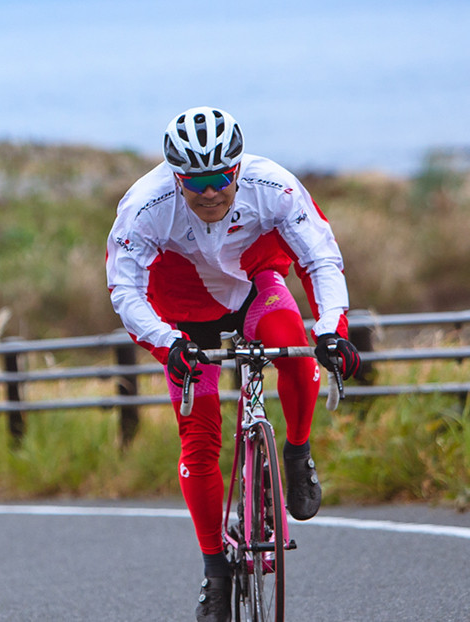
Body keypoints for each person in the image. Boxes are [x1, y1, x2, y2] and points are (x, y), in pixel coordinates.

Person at [105, 106, 361, 622]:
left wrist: (331, 328)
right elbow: (126, 290)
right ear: (176, 177)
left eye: (221, 177)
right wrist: (165, 340)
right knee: (198, 438)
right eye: (195, 181)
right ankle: (215, 570)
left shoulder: (274, 186)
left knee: (291, 342)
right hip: (179, 315)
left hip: (254, 289)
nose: (209, 191)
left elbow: (320, 259)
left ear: (239, 168)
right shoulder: (145, 206)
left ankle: (296, 449)